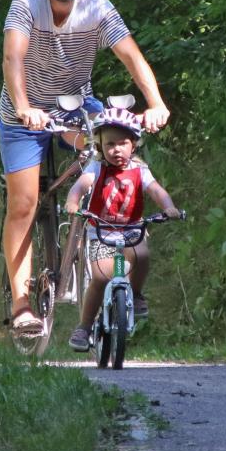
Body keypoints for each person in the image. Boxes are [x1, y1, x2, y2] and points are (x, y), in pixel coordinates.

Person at [0, 0, 170, 334]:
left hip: (76, 107)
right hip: (24, 115)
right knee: (24, 203)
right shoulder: (26, 3)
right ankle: (22, 305)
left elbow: (131, 55)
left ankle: (122, 278)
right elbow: (13, 58)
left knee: (115, 158)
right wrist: (24, 107)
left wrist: (156, 103)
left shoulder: (97, 7)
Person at [64, 106, 181, 351]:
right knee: (101, 277)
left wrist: (169, 207)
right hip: (101, 229)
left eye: (123, 143)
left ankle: (135, 295)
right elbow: (81, 185)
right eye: (110, 144)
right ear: (99, 146)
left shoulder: (140, 170)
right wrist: (73, 202)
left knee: (142, 255)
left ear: (134, 144)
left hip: (131, 228)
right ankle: (84, 327)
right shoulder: (96, 168)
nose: (116, 149)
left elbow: (156, 191)